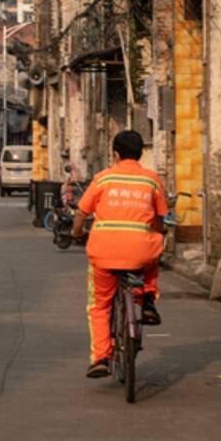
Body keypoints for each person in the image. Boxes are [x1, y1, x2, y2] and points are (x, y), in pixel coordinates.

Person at [71, 129, 167, 378]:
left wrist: (76, 233)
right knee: (155, 244)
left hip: (104, 253)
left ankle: (102, 357)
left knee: (100, 305)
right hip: (140, 254)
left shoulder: (103, 179)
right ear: (141, 154)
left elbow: (81, 213)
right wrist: (155, 235)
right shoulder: (151, 179)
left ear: (115, 154)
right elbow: (159, 219)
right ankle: (147, 299)